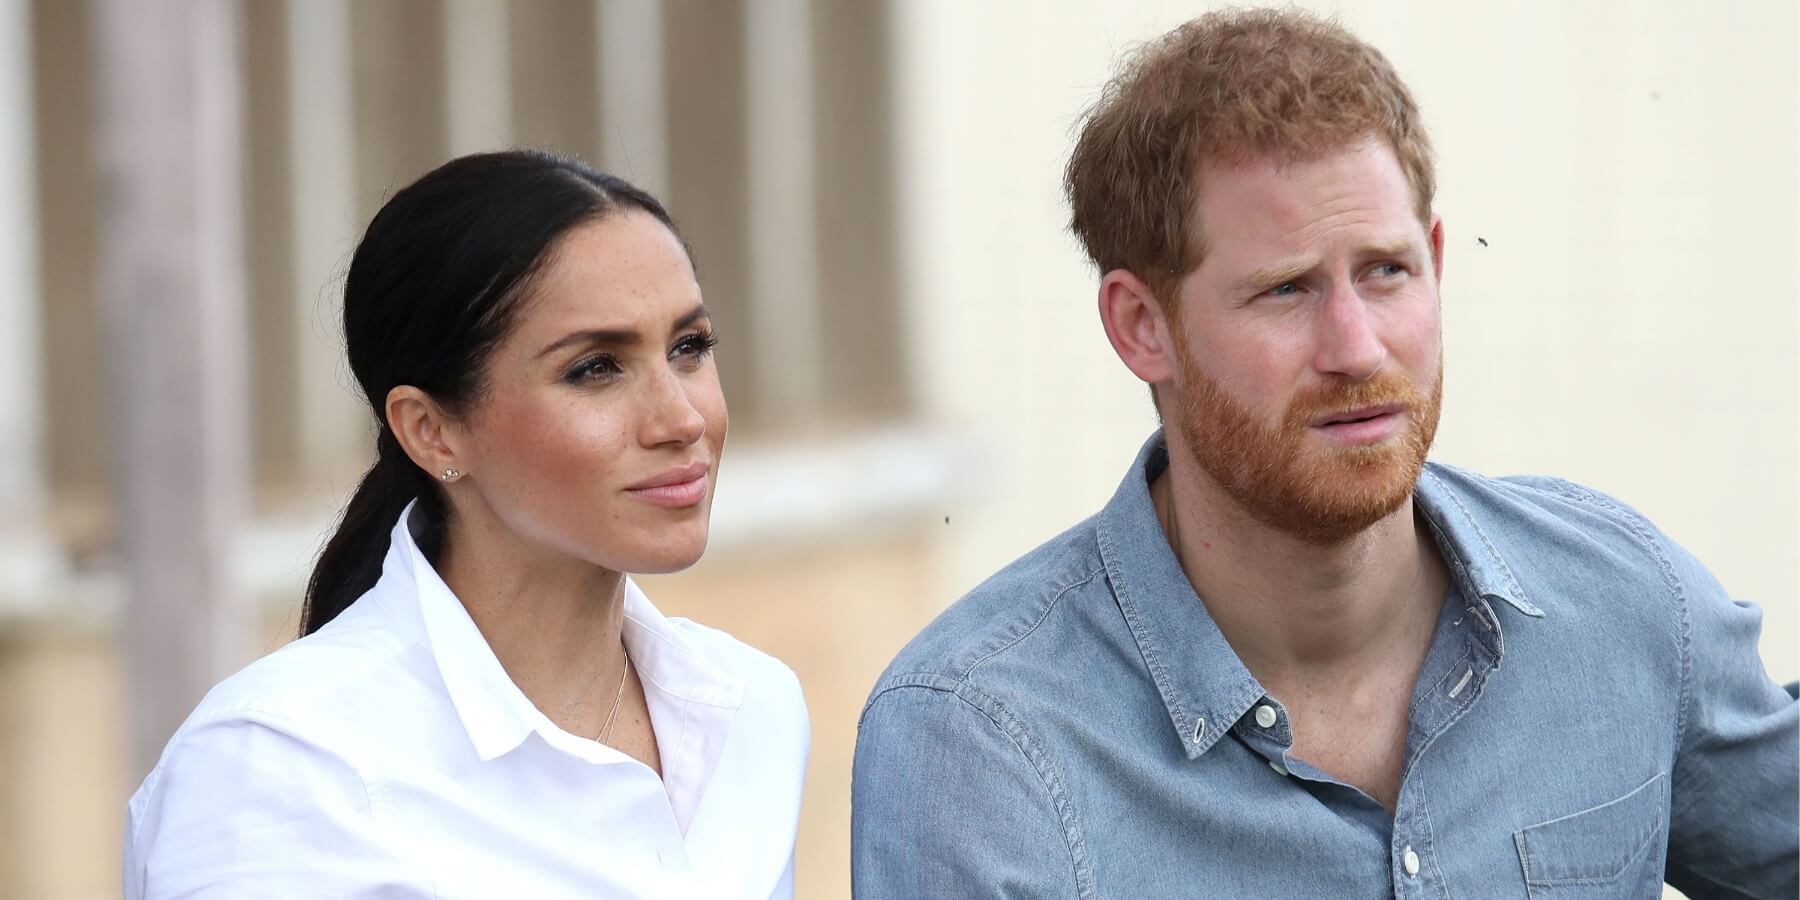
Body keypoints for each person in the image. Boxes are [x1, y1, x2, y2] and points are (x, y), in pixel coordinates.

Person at [851, 9, 1798, 898]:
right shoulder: (980, 743)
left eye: (1386, 272)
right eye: (1286, 291)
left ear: (1436, 259)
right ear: (1142, 326)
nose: (1357, 348)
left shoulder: (1621, 604)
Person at [123, 150, 809, 898]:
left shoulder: (750, 709)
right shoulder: (282, 770)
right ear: (432, 431)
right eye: (595, 368)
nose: (681, 419)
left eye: (689, 348)